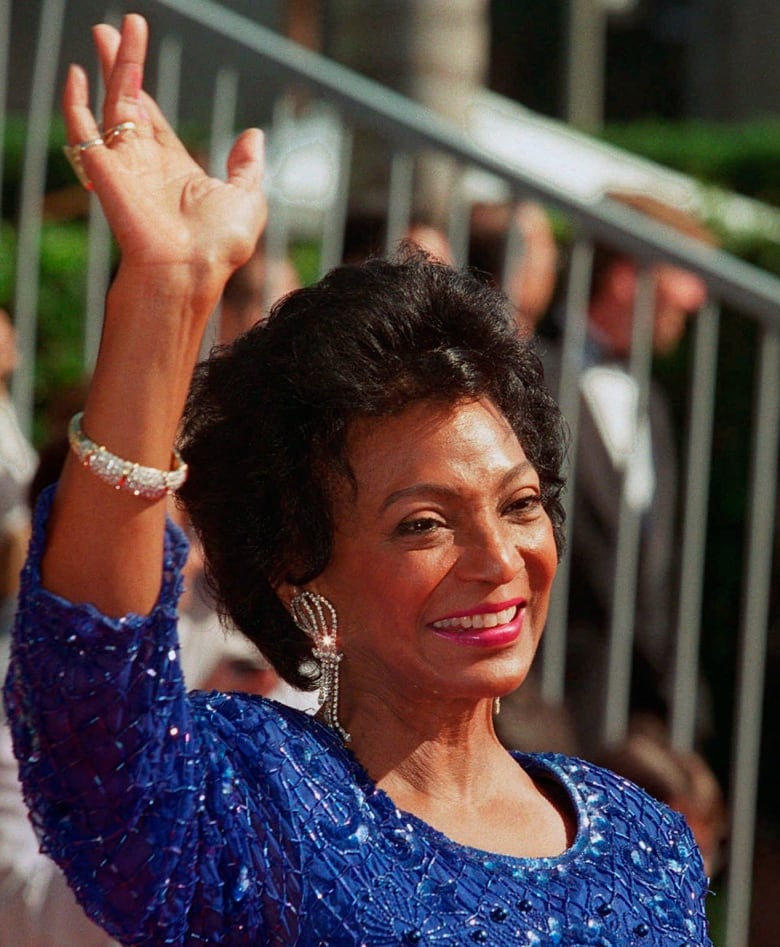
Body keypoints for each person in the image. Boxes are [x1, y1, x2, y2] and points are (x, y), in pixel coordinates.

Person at [3, 15, 712, 946]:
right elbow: (92, 705)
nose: (498, 558)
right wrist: (167, 296)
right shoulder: (249, 807)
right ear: (301, 567)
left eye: (521, 503)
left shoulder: (645, 842)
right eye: (425, 523)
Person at [539, 191, 717, 760]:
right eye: (682, 276)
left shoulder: (655, 401)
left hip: (641, 723)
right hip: (547, 712)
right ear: (625, 278)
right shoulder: (528, 372)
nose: (695, 300)